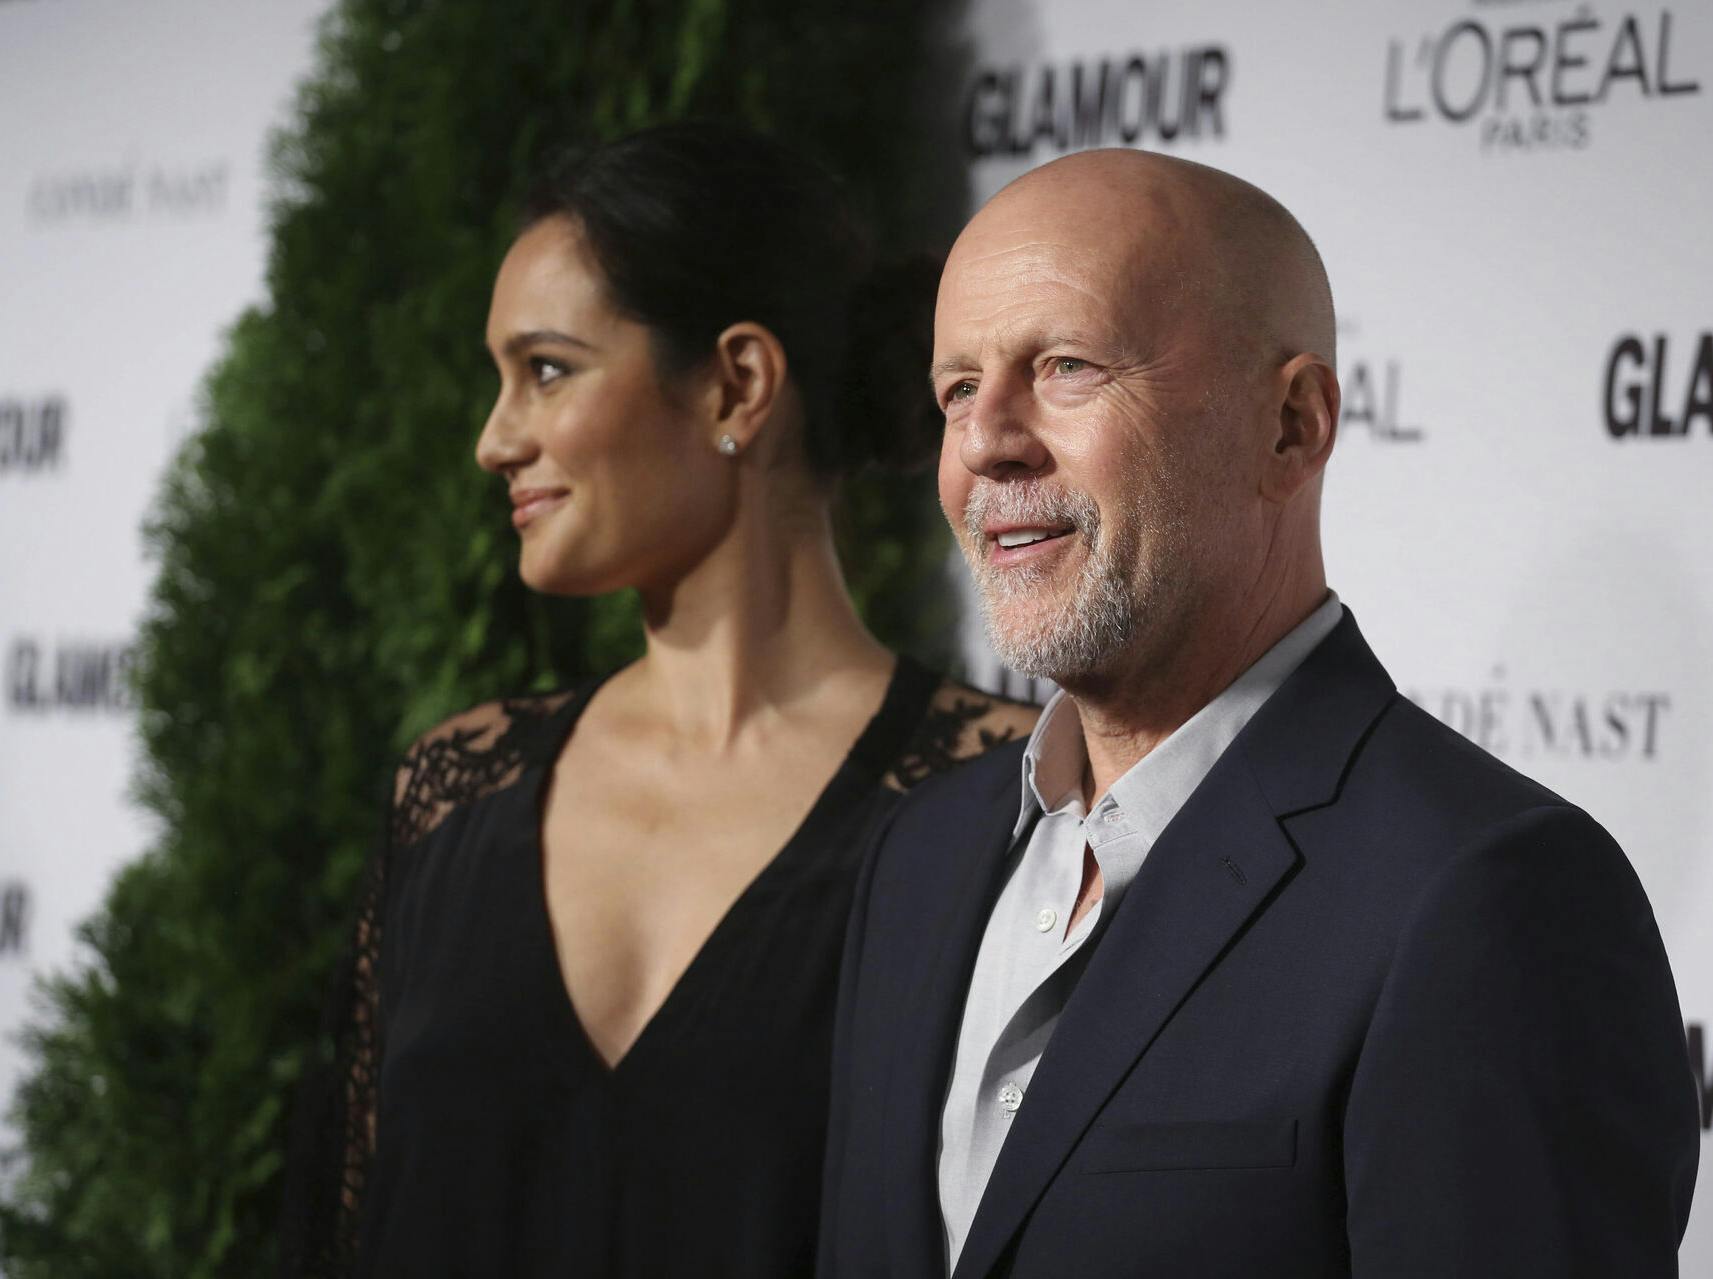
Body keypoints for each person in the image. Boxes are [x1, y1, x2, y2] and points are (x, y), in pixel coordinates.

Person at [818, 148, 1700, 1278]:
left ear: (1290, 428)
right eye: (956, 390)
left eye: (1068, 367)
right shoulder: (917, 861)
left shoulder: (1489, 895)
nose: (986, 440)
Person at [277, 122, 1037, 1278]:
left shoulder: (1001, 803)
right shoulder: (451, 794)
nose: (494, 440)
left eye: (546, 369)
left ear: (737, 381)